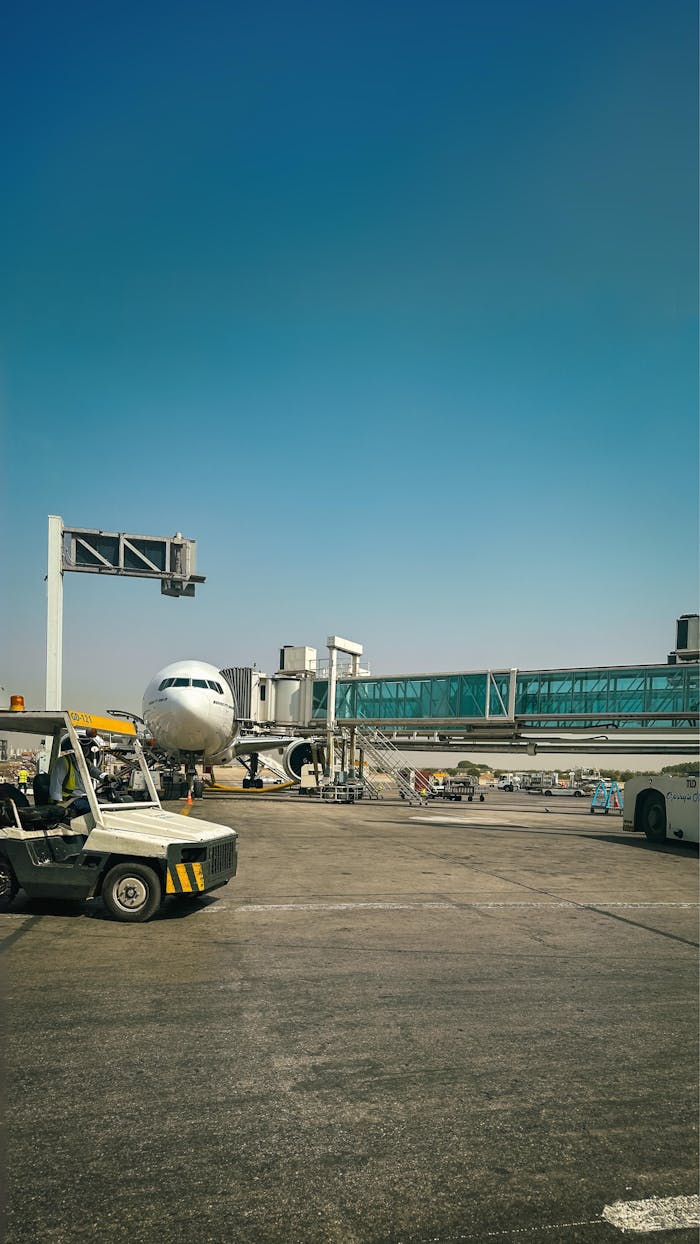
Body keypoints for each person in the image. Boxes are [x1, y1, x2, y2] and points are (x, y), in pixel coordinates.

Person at [49, 737, 101, 818]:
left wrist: (106, 777)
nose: (86, 750)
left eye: (87, 747)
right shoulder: (63, 761)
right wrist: (59, 804)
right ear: (76, 747)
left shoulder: (86, 762)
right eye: (83, 747)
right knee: (93, 811)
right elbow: (56, 784)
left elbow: (96, 772)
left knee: (103, 808)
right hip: (69, 800)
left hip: (85, 798)